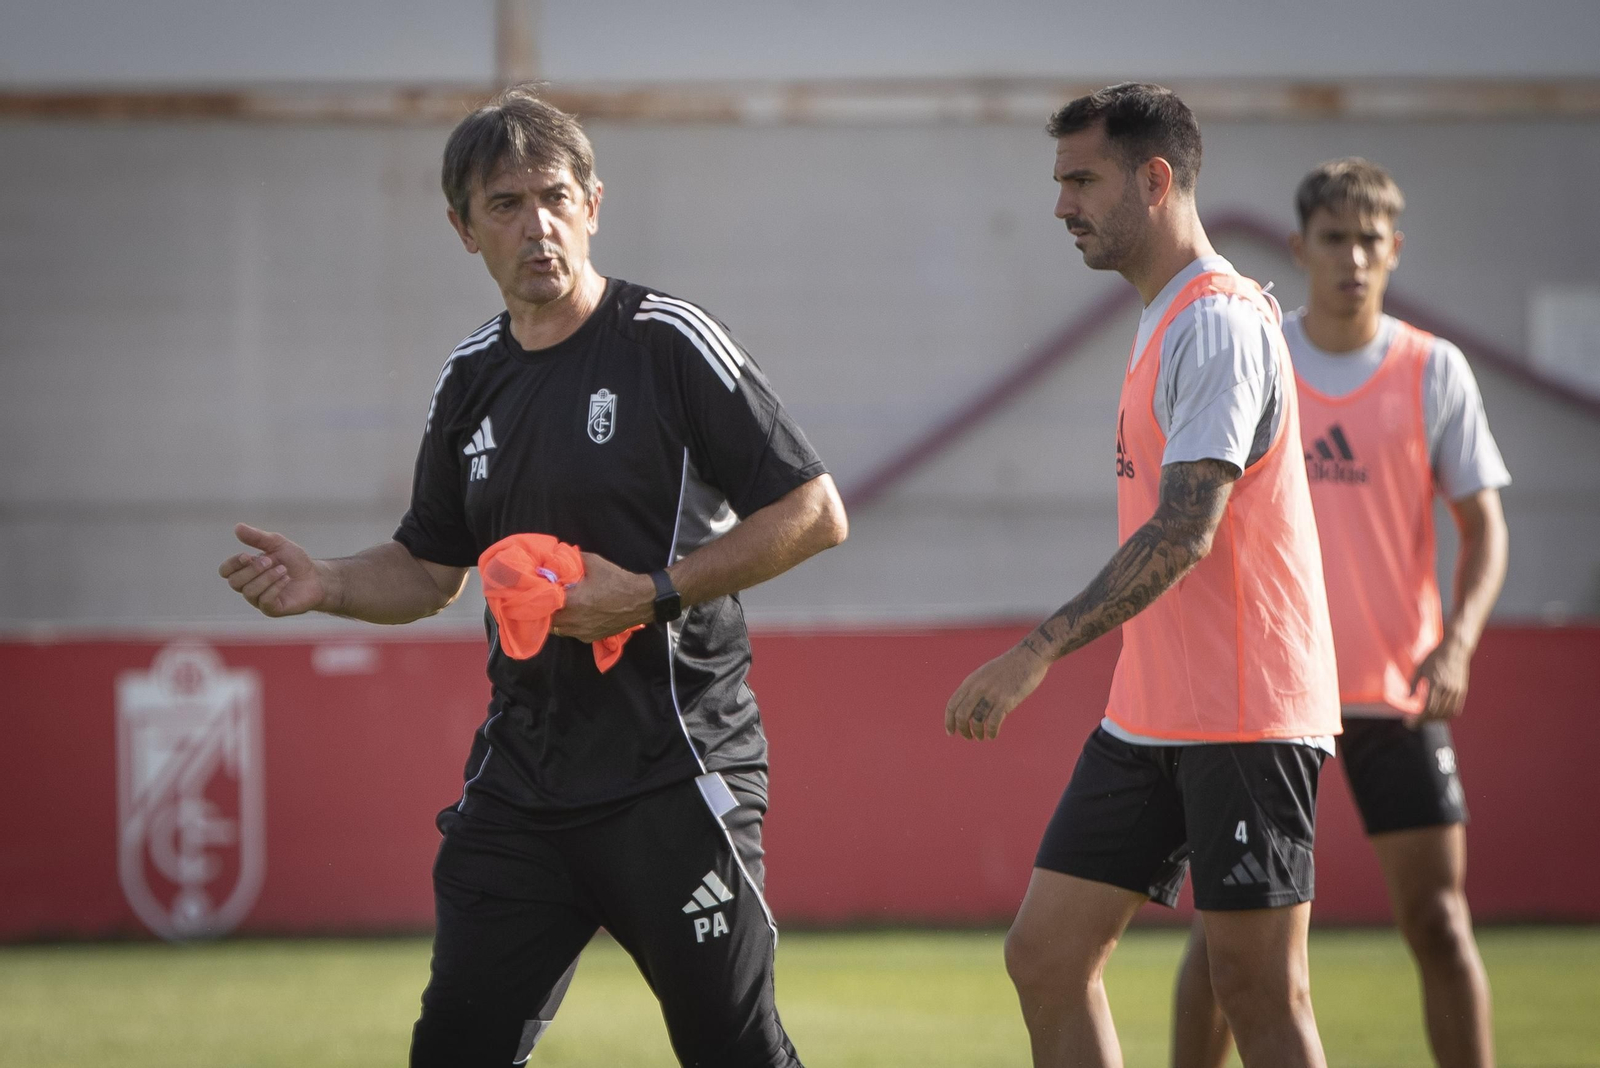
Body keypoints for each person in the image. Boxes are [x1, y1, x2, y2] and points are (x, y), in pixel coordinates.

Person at [219, 85, 846, 1067]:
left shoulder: (667, 341)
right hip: (524, 790)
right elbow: (431, 568)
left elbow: (814, 512)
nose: (536, 224)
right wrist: (328, 581)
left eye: (555, 196)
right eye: (504, 205)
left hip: (675, 775)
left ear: (593, 203)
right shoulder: (470, 380)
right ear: (463, 228)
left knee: (737, 1054)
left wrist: (648, 594)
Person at [943, 82, 1340, 1068]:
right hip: (1152, 714)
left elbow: (1185, 529)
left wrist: (1033, 652)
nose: (1061, 205)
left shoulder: (1215, 324)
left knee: (1256, 991)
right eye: (1059, 181)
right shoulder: (1167, 316)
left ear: (1154, 180)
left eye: (1082, 179)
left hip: (1245, 714)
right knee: (1045, 956)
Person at [1171, 158, 1510, 1068]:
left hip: (1395, 695)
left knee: (1439, 921)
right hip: (1276, 698)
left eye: (1371, 240)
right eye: (1334, 238)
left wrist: (1460, 644)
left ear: (1395, 251)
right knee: (1225, 945)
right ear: (1300, 248)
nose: (1353, 257)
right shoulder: (1260, 354)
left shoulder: (1433, 371)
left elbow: (1486, 531)